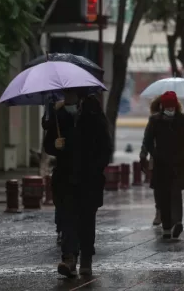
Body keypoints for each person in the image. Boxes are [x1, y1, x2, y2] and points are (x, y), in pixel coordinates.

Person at [44, 89, 112, 277]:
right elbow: (48, 144)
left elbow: (106, 146)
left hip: (89, 179)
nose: (68, 97)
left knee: (86, 221)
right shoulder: (58, 116)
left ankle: (86, 260)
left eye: (71, 94)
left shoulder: (93, 112)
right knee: (67, 219)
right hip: (65, 178)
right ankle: (69, 258)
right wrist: (54, 146)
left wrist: (96, 167)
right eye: (66, 94)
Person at [142, 91, 184, 239]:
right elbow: (148, 140)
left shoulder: (183, 120)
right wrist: (152, 154)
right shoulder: (155, 120)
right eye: (167, 106)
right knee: (163, 196)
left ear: (176, 105)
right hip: (161, 164)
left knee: (176, 195)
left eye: (172, 106)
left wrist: (181, 156)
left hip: (177, 164)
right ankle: (166, 226)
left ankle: (177, 223)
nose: (170, 108)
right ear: (163, 106)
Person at [41, 100, 65, 245]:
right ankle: (61, 229)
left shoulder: (87, 109)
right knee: (61, 201)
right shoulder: (54, 108)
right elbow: (46, 125)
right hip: (62, 169)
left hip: (82, 170)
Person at [140, 96, 162, 226]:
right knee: (157, 187)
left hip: (171, 159)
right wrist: (144, 155)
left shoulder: (177, 119)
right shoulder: (153, 120)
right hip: (156, 157)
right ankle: (159, 212)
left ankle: (169, 213)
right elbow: (147, 139)